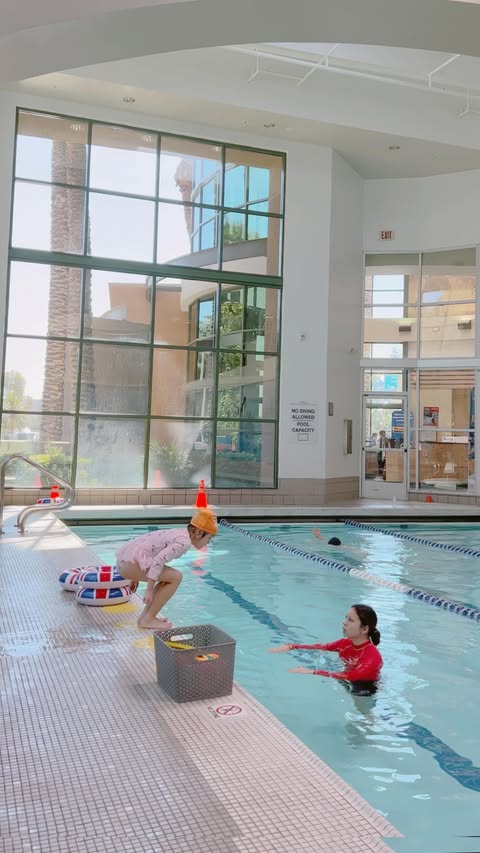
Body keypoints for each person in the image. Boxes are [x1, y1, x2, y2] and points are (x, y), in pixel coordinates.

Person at [115, 508, 218, 629]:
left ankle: (144, 618)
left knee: (168, 577)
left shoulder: (180, 533)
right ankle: (148, 619)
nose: (207, 543)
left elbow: (147, 546)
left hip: (125, 562)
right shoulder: (184, 543)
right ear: (199, 532)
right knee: (176, 577)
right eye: (209, 538)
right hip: (130, 566)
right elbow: (158, 561)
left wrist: (135, 577)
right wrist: (148, 590)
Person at [268, 604, 382, 693]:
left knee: (363, 713)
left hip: (364, 688)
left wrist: (312, 671)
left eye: (350, 620)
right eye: (345, 618)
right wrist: (292, 646)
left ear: (364, 629)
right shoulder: (345, 643)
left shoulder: (372, 657)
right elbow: (321, 647)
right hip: (345, 678)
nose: (344, 622)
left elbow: (350, 677)